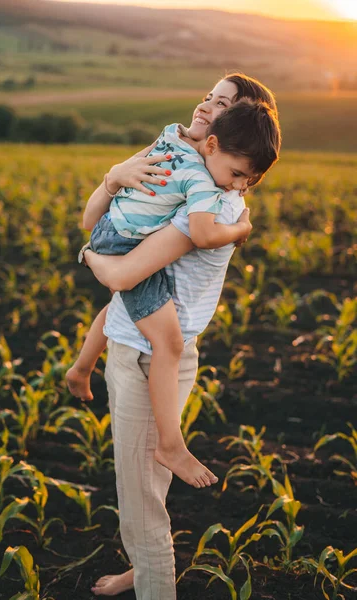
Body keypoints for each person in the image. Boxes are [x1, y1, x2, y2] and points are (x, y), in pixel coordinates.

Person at [79, 73, 280, 598]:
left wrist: (91, 255)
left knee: (141, 499)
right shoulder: (176, 163)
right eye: (209, 97)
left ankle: (153, 581)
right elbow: (92, 216)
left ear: (232, 132)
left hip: (147, 356)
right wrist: (114, 175)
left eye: (223, 106)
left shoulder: (207, 197)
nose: (206, 107)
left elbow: (121, 276)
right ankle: (142, 569)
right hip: (139, 345)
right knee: (147, 488)